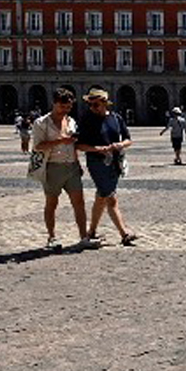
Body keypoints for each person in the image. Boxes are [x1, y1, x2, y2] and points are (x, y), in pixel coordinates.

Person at [31, 89, 94, 250]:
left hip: (71, 166)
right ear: (54, 103)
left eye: (68, 107)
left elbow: (73, 144)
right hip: (52, 166)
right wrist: (60, 141)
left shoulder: (71, 121)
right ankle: (51, 237)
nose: (65, 110)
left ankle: (83, 237)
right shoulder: (41, 123)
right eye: (62, 106)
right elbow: (38, 146)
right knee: (52, 203)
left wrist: (78, 163)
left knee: (79, 203)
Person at [75, 88, 137, 246]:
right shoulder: (87, 119)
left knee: (102, 197)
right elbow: (80, 145)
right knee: (110, 197)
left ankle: (91, 231)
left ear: (104, 103)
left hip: (115, 162)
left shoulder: (116, 118)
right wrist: (97, 149)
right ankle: (124, 233)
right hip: (97, 163)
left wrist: (120, 144)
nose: (92, 108)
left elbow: (128, 139)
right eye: (90, 104)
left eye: (95, 104)